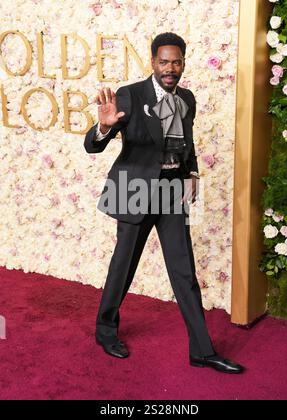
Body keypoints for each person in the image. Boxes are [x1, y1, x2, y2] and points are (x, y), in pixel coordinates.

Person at [84, 32, 244, 374]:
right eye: (163, 61)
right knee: (123, 266)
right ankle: (105, 330)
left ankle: (201, 351)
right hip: (134, 189)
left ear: (183, 63)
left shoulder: (187, 98)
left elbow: (188, 142)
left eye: (176, 62)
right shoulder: (130, 94)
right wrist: (103, 126)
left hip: (172, 191)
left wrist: (193, 173)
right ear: (153, 61)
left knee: (184, 270)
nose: (170, 68)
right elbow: (94, 146)